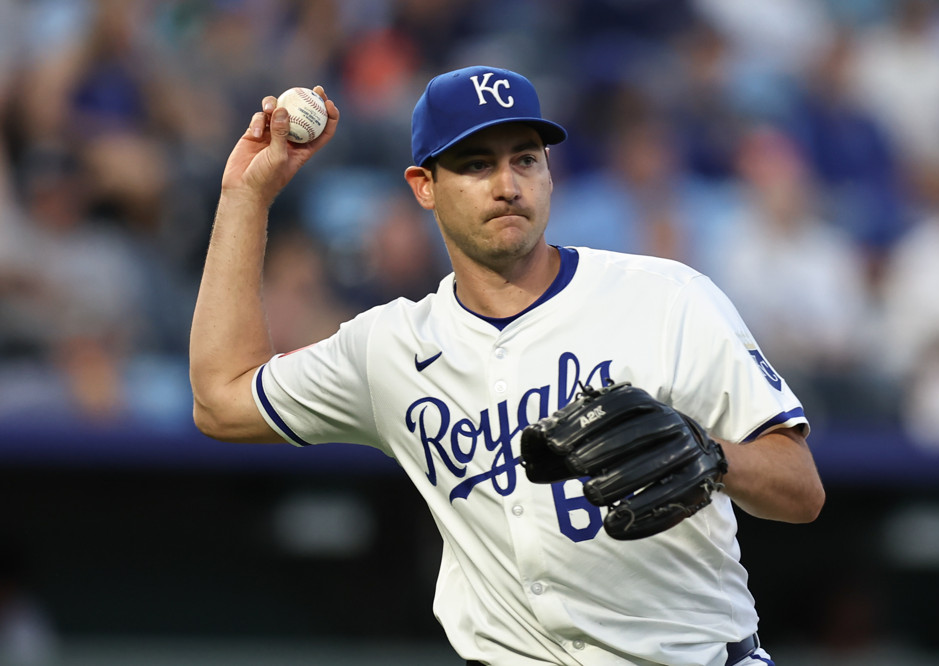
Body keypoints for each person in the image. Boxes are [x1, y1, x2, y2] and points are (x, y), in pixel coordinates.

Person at [189, 65, 825, 666]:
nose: (507, 184)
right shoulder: (390, 347)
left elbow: (802, 490)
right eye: (475, 164)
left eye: (525, 158)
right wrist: (246, 196)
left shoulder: (666, 297)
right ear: (425, 188)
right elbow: (221, 400)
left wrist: (714, 456)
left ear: (550, 173)